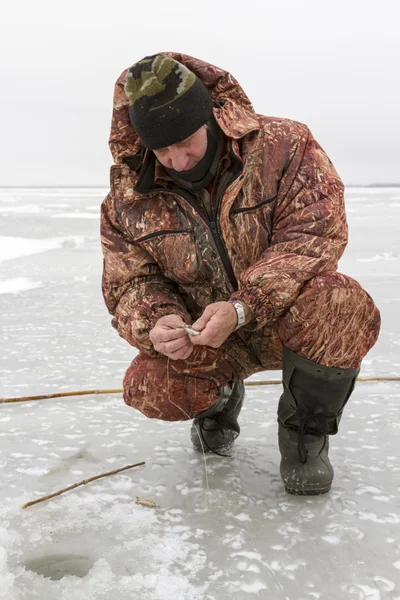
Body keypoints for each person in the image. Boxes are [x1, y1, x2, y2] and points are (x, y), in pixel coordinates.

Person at [101, 53, 381, 495]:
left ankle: (304, 433)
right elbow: (130, 281)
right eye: (162, 148)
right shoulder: (128, 196)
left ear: (209, 118)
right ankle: (218, 401)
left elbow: (314, 236)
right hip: (204, 335)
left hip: (283, 320)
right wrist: (157, 319)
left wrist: (243, 306)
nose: (176, 159)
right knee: (148, 384)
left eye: (186, 141)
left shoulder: (285, 145)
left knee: (341, 304)